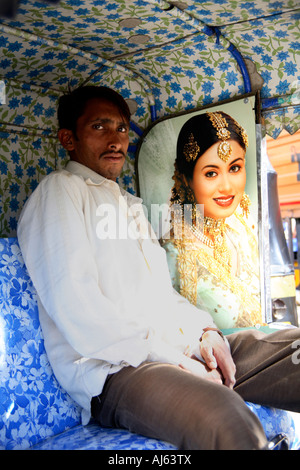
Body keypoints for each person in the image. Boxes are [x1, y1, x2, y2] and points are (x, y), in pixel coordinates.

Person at [17, 85, 300, 450]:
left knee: (290, 354)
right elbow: (80, 309)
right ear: (68, 138)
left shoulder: (130, 206)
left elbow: (160, 295)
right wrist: (176, 361)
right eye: (100, 127)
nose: (116, 139)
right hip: (117, 371)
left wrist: (205, 334)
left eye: (121, 128)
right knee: (224, 417)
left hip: (177, 349)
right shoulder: (59, 192)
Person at [162, 111, 263, 329]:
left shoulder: (243, 235)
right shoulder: (174, 255)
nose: (227, 187)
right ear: (186, 179)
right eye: (211, 173)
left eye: (235, 168)